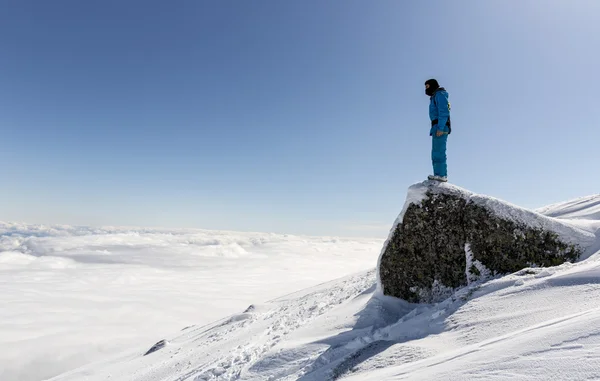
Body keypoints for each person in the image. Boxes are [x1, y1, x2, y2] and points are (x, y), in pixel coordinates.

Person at [425, 79, 451, 182]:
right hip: (436, 127)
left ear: (432, 86)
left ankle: (441, 175)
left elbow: (443, 111)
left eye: (427, 87)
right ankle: (438, 174)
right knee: (436, 152)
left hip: (440, 127)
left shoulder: (440, 94)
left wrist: (440, 127)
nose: (426, 89)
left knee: (439, 151)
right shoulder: (435, 96)